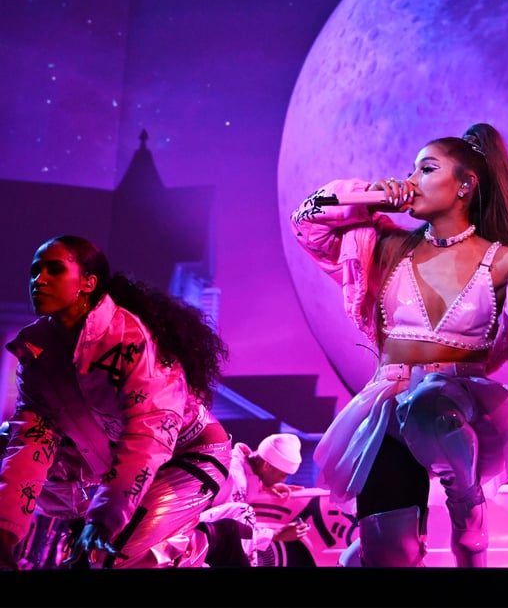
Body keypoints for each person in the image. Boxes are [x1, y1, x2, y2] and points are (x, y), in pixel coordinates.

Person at [290, 122, 508, 567]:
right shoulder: (385, 247)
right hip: (386, 408)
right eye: (411, 170)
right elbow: (307, 221)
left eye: (426, 169)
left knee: (430, 405)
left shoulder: (506, 264)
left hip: (457, 407)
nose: (411, 180)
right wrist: (370, 196)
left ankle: (466, 499)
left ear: (465, 185)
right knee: (390, 552)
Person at [0, 235, 232, 570]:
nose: (39, 280)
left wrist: (105, 519)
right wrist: (5, 532)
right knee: (5, 439)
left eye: (54, 269)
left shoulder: (131, 340)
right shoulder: (37, 354)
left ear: (88, 282)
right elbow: (30, 443)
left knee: (111, 559)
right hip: (114, 459)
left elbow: (147, 436)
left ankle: (212, 538)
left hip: (189, 454)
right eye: (35, 271)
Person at [198, 432, 312, 567]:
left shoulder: (242, 464)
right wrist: (276, 534)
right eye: (282, 475)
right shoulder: (235, 478)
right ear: (267, 466)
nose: (284, 481)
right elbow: (229, 530)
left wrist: (264, 486)